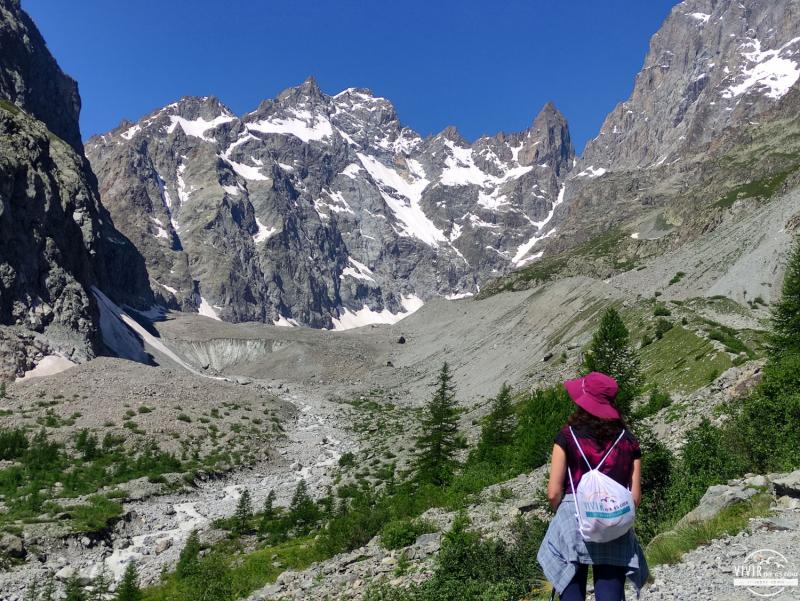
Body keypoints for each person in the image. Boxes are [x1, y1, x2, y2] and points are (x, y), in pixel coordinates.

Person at [537, 372, 648, 600]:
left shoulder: (567, 437)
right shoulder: (629, 441)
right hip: (613, 518)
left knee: (570, 582)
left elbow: (553, 492)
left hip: (573, 517)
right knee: (610, 591)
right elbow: (634, 498)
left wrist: (565, 510)